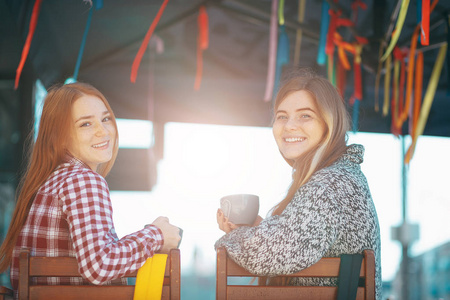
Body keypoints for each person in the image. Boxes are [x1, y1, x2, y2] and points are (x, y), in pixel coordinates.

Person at [0, 82, 181, 295]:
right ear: (60, 136)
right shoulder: (83, 180)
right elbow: (99, 266)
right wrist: (156, 234)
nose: (102, 131)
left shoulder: (48, 182)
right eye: (85, 124)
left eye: (105, 119)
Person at [216, 71, 382, 299]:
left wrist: (235, 238)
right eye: (282, 116)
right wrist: (258, 230)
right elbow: (295, 245)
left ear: (329, 123)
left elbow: (273, 254)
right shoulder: (341, 176)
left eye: (305, 116)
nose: (290, 126)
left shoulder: (330, 184)